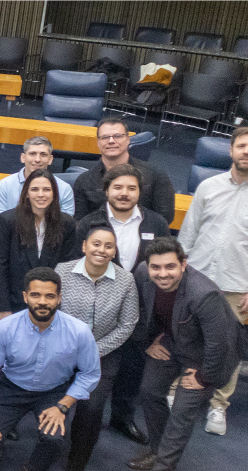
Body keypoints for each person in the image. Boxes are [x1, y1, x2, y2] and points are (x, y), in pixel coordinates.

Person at [175, 127, 248, 436]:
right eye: (241, 146)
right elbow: (188, 235)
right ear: (231, 150)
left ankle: (218, 406)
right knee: (187, 339)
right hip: (196, 279)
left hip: (236, 286)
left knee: (228, 349)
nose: (246, 152)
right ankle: (178, 390)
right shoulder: (208, 187)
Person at [127, 238, 245, 471]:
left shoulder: (204, 293)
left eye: (170, 267)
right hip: (172, 339)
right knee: (149, 391)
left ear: (183, 264)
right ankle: (158, 450)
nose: (162, 274)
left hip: (206, 354)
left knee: (182, 410)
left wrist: (204, 376)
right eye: (156, 267)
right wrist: (148, 342)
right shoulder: (142, 275)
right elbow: (141, 311)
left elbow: (220, 342)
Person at [0, 267, 101, 471]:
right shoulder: (5, 328)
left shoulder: (79, 331)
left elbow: (90, 374)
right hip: (11, 388)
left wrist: (62, 406)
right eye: (36, 295)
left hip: (53, 391)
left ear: (59, 298)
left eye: (50, 296)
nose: (42, 302)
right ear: (25, 297)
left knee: (52, 438)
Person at [74, 164, 172, 445]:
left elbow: (164, 270)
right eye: (117, 187)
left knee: (132, 368)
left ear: (140, 192)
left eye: (131, 188)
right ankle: (80, 416)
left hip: (142, 312)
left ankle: (122, 417)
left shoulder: (156, 224)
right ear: (106, 191)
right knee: (95, 368)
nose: (124, 194)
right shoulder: (89, 224)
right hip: (99, 310)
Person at [56, 223, 140, 471]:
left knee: (91, 411)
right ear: (84, 246)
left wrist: (93, 352)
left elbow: (128, 323)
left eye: (108, 246)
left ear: (114, 251)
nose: (101, 250)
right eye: (96, 244)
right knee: (52, 403)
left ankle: (76, 464)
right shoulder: (63, 271)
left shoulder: (125, 280)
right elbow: (52, 312)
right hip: (62, 352)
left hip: (105, 355)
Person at [0, 169, 79, 320]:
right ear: (27, 193)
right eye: (35, 189)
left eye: (47, 189)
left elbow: (67, 268)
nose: (41, 194)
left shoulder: (67, 224)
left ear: (54, 193)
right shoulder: (8, 220)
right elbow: (0, 266)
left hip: (48, 306)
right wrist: (4, 308)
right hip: (11, 303)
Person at [71, 117, 175, 222]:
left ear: (128, 139)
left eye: (117, 136)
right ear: (98, 142)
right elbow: (80, 224)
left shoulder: (155, 175)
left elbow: (164, 219)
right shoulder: (84, 181)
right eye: (105, 137)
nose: (111, 141)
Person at [0, 137, 75, 216]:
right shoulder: (5, 185)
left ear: (50, 159)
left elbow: (66, 225)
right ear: (23, 158)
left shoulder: (64, 189)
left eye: (43, 154)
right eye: (32, 154)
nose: (37, 159)